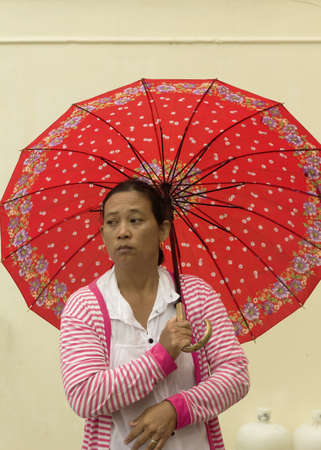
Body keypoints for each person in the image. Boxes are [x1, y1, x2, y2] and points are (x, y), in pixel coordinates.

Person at [59, 178, 250, 450]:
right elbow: (85, 395)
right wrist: (162, 356)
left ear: (163, 230)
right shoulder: (85, 306)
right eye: (112, 222)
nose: (122, 232)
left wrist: (176, 409)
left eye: (135, 220)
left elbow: (235, 375)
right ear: (103, 234)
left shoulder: (196, 296)